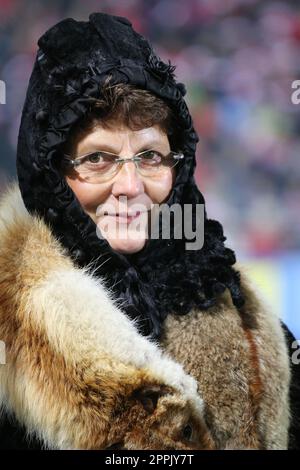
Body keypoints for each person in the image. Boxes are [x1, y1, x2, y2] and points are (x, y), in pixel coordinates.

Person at [0, 12, 299, 450]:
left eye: (151, 157)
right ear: (50, 174)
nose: (130, 186)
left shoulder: (245, 317)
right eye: (97, 159)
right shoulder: (10, 333)